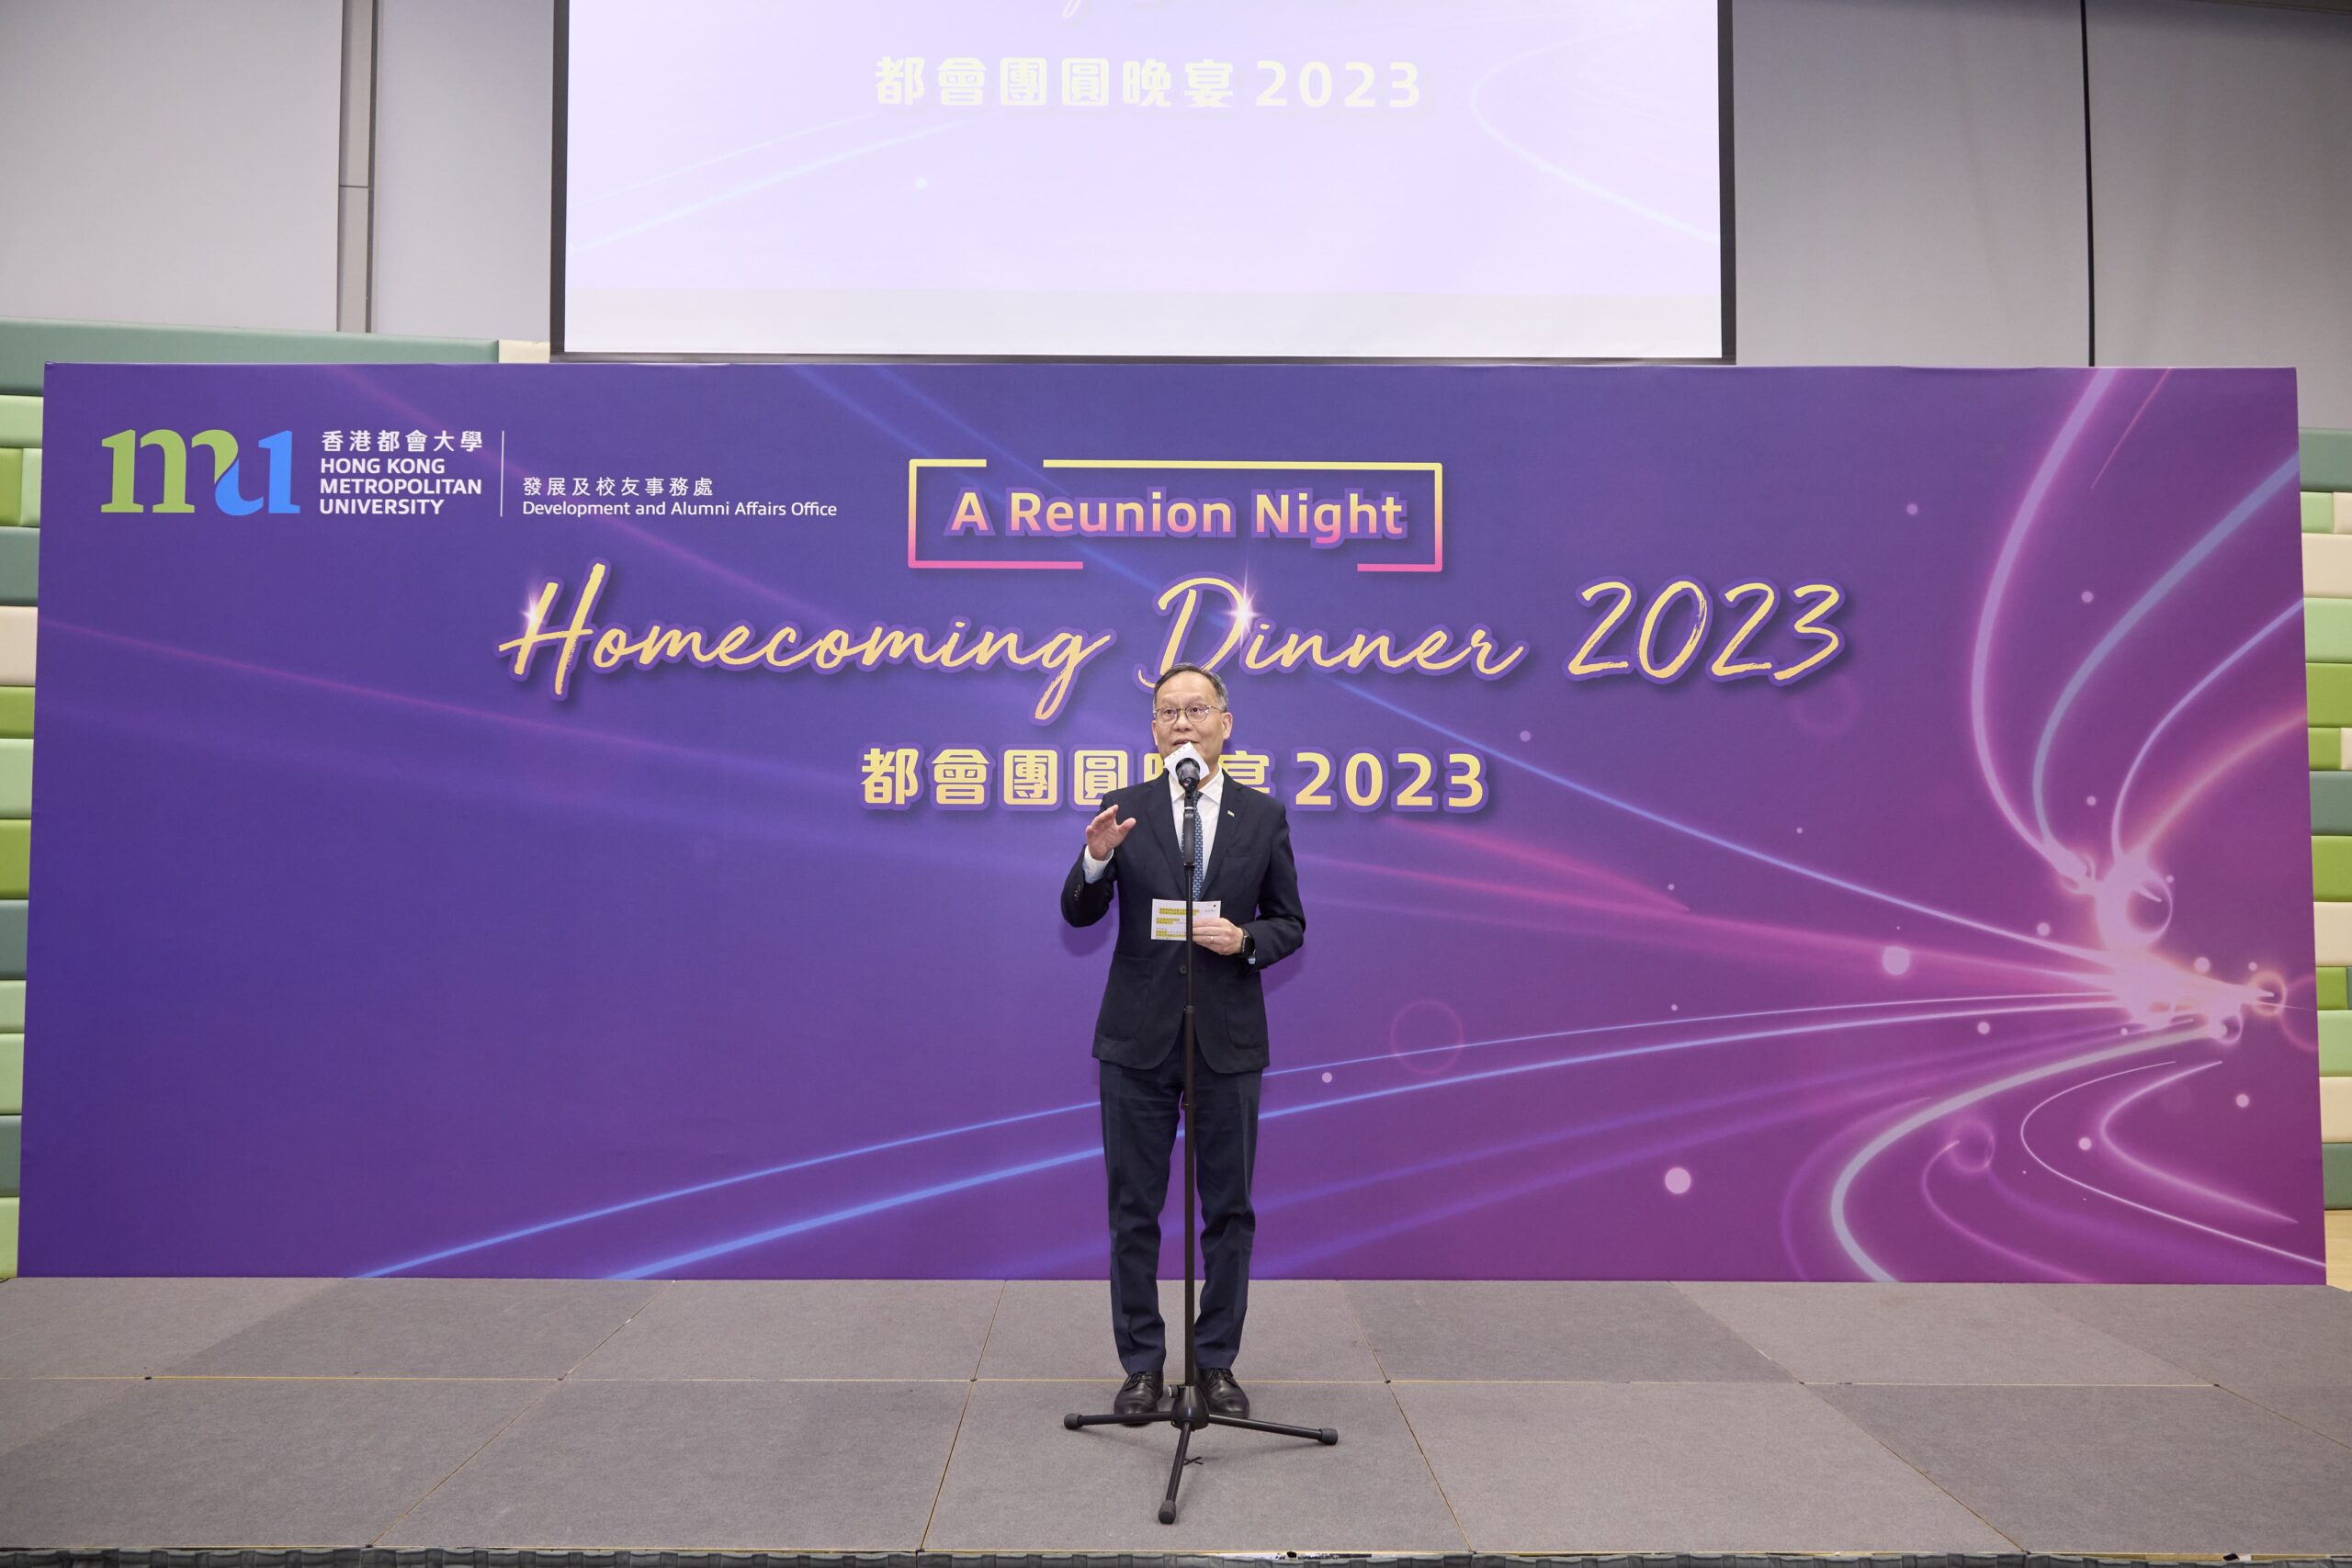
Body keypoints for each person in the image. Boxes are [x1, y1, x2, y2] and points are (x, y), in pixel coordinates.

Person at [1060, 662, 1306, 1420]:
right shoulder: (1124, 810)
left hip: (1227, 1038)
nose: (1183, 723)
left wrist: (1245, 939)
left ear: (1225, 724)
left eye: (1196, 709)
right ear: (1154, 730)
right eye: (1168, 712)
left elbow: (1290, 922)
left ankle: (1215, 1363)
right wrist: (1095, 858)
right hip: (1138, 1040)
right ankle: (1142, 1366)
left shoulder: (1262, 815)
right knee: (1133, 1210)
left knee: (1228, 1212)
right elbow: (1078, 912)